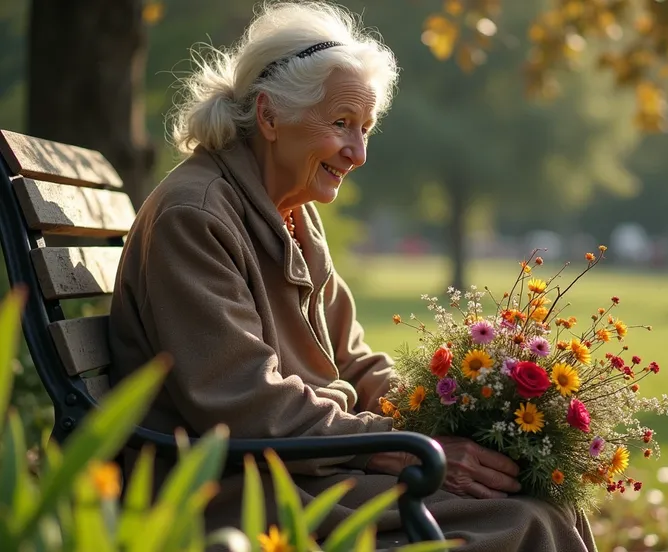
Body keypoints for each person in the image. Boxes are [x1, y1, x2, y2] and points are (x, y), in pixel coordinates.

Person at [108, 2, 597, 550]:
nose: (358, 153)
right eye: (341, 124)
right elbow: (245, 401)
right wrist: (398, 444)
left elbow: (353, 360)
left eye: (365, 128)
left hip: (305, 463)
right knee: (520, 520)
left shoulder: (290, 211)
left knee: (541, 499)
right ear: (269, 116)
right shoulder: (195, 215)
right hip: (235, 487)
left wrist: (459, 413)